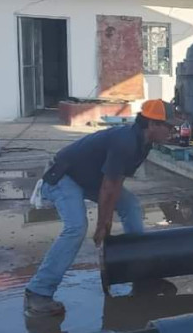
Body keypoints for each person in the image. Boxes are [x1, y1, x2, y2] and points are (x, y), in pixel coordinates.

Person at [24, 100, 177, 317]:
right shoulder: (126, 142)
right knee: (76, 227)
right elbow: (107, 187)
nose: (172, 131)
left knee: (131, 205)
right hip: (63, 177)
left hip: (89, 178)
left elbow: (115, 181)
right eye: (169, 126)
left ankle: (142, 275)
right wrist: (102, 224)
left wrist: (106, 222)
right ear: (152, 124)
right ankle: (38, 292)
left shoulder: (143, 143)